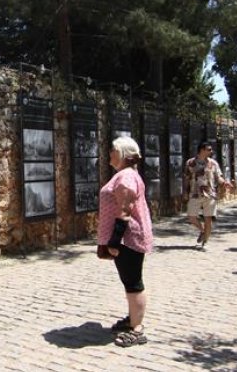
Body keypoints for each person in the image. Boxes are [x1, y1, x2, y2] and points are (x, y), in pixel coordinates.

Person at [96, 136, 153, 347]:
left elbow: (125, 210)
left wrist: (113, 240)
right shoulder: (125, 175)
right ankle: (132, 318)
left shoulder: (126, 177)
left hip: (128, 239)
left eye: (113, 150)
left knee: (133, 282)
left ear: (122, 153)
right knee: (129, 280)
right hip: (127, 239)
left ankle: (137, 328)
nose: (110, 154)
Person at [184, 142, 232, 250]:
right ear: (202, 150)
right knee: (191, 217)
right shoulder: (190, 163)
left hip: (210, 194)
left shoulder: (213, 163)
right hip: (194, 193)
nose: (211, 151)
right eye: (209, 149)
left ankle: (205, 242)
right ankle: (202, 230)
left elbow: (218, 177)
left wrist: (224, 183)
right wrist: (185, 192)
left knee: (208, 219)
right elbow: (186, 179)